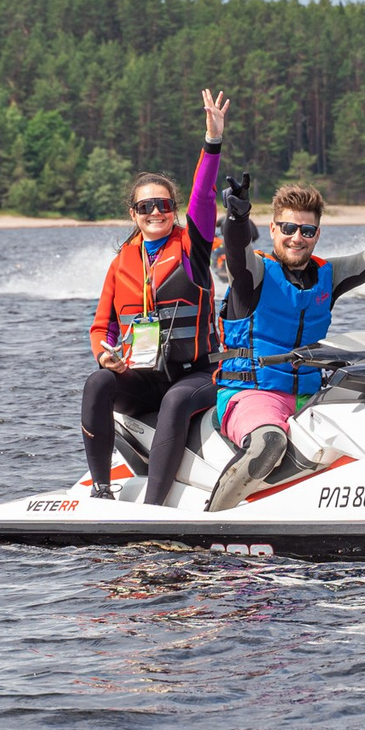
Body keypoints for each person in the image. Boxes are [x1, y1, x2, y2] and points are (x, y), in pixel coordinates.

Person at [206, 175, 365, 511]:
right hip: (252, 395)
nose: (296, 238)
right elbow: (234, 250)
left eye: (306, 231)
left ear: (317, 235)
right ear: (273, 230)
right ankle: (213, 522)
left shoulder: (327, 275)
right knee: (270, 442)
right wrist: (236, 218)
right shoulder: (254, 274)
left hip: (309, 396)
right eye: (288, 228)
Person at [81, 90, 229, 506]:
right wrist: (104, 355)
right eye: (146, 205)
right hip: (142, 377)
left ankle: (154, 507)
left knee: (178, 398)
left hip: (195, 376)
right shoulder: (121, 263)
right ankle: (101, 490)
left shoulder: (192, 248)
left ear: (173, 209)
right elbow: (101, 327)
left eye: (163, 204)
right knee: (97, 383)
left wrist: (211, 142)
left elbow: (203, 196)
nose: (155, 212)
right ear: (133, 213)